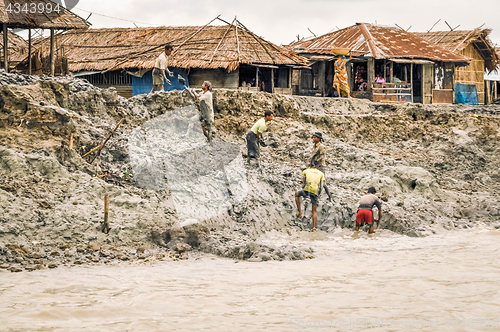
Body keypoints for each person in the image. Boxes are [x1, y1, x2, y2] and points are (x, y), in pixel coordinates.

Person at [295, 160, 325, 229]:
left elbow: (304, 182)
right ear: (317, 166)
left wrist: (304, 190)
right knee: (314, 210)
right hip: (315, 192)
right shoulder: (321, 174)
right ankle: (314, 227)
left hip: (307, 190)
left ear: (310, 165)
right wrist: (319, 193)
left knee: (297, 194)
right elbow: (322, 185)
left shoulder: (305, 171)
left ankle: (300, 213)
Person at [310, 132, 333, 202]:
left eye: (314, 137)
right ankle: (329, 196)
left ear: (318, 139)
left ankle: (318, 197)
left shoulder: (321, 147)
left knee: (321, 183)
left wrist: (316, 161)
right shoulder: (315, 146)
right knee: (320, 182)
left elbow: (322, 156)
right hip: (315, 166)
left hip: (320, 166)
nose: (313, 139)